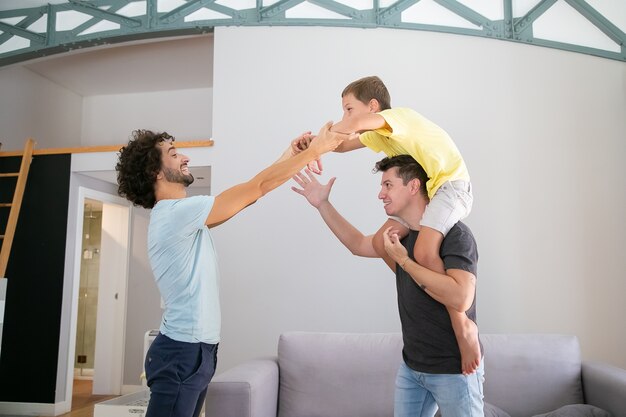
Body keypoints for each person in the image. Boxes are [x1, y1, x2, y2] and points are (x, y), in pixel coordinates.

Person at [115, 124, 345, 417]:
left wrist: (290, 154)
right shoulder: (175, 215)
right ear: (155, 173)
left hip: (196, 351)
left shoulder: (186, 218)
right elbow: (255, 189)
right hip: (181, 353)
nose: (184, 157)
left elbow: (252, 190)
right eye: (173, 154)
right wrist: (316, 150)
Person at [297, 75, 479, 374]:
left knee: (422, 251)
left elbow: (351, 128)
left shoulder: (398, 118)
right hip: (431, 196)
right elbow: (342, 146)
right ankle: (431, 290)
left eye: (349, 109)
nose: (345, 117)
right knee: (396, 247)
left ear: (372, 106)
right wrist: (310, 151)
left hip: (450, 186)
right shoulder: (381, 137)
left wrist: (319, 141)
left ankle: (463, 326)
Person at [291, 155, 484, 417]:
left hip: (454, 369)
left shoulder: (455, 235)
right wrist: (322, 204)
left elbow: (461, 297)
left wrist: (404, 260)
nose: (381, 194)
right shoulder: (397, 235)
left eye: (388, 185)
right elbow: (358, 244)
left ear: (414, 187)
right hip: (413, 367)